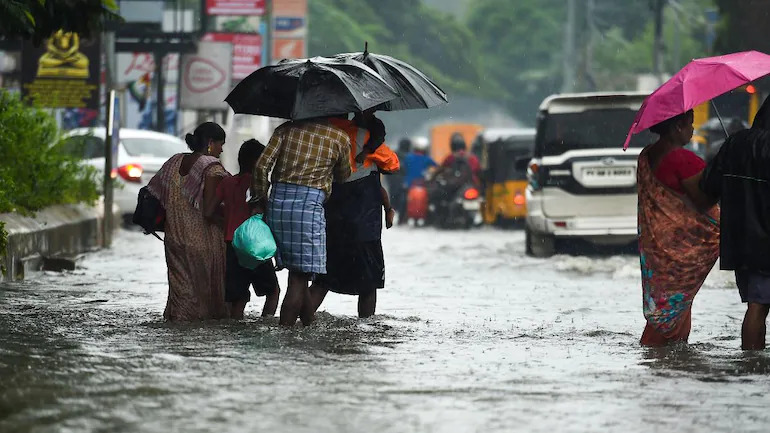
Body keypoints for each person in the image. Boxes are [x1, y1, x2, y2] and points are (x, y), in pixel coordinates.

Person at [251, 118, 352, 327]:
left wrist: (261, 197)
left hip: (277, 205)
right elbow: (343, 176)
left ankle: (309, 325)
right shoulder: (339, 138)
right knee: (298, 278)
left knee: (299, 272)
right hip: (308, 208)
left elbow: (261, 166)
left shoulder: (285, 130)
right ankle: (286, 334)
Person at [636, 109, 720, 346]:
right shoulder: (681, 159)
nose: (693, 129)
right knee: (675, 306)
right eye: (690, 124)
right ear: (677, 128)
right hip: (685, 248)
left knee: (670, 303)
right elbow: (704, 201)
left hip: (660, 247)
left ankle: (662, 358)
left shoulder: (646, 155)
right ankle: (662, 354)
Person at [309, 111, 400, 318]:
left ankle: (297, 323)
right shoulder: (365, 137)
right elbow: (392, 165)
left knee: (322, 281)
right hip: (364, 225)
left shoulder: (324, 135)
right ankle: (366, 329)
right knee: (369, 283)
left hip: (331, 222)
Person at [700, 97, 770, 350]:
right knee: (758, 307)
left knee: (757, 306)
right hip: (764, 242)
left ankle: (749, 365)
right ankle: (752, 367)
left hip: (742, 243)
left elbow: (708, 187)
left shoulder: (734, 143)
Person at [146, 122, 230, 321]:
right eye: (220, 144)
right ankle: (196, 341)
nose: (222, 149)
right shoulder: (212, 168)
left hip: (174, 238)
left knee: (181, 294)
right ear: (210, 143)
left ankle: (176, 330)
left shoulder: (174, 162)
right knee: (205, 301)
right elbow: (209, 211)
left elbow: (156, 193)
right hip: (203, 243)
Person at [216, 139, 281, 319]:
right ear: (256, 161)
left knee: (239, 297)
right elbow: (265, 210)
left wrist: (229, 217)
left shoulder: (227, 182)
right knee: (273, 291)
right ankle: (265, 325)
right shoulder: (259, 184)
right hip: (253, 244)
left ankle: (235, 329)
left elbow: (211, 209)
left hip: (231, 243)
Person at [387, 138, 411, 225]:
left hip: (393, 180)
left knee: (394, 200)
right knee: (403, 200)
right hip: (402, 181)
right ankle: (402, 218)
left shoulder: (394, 154)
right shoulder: (409, 156)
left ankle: (393, 218)